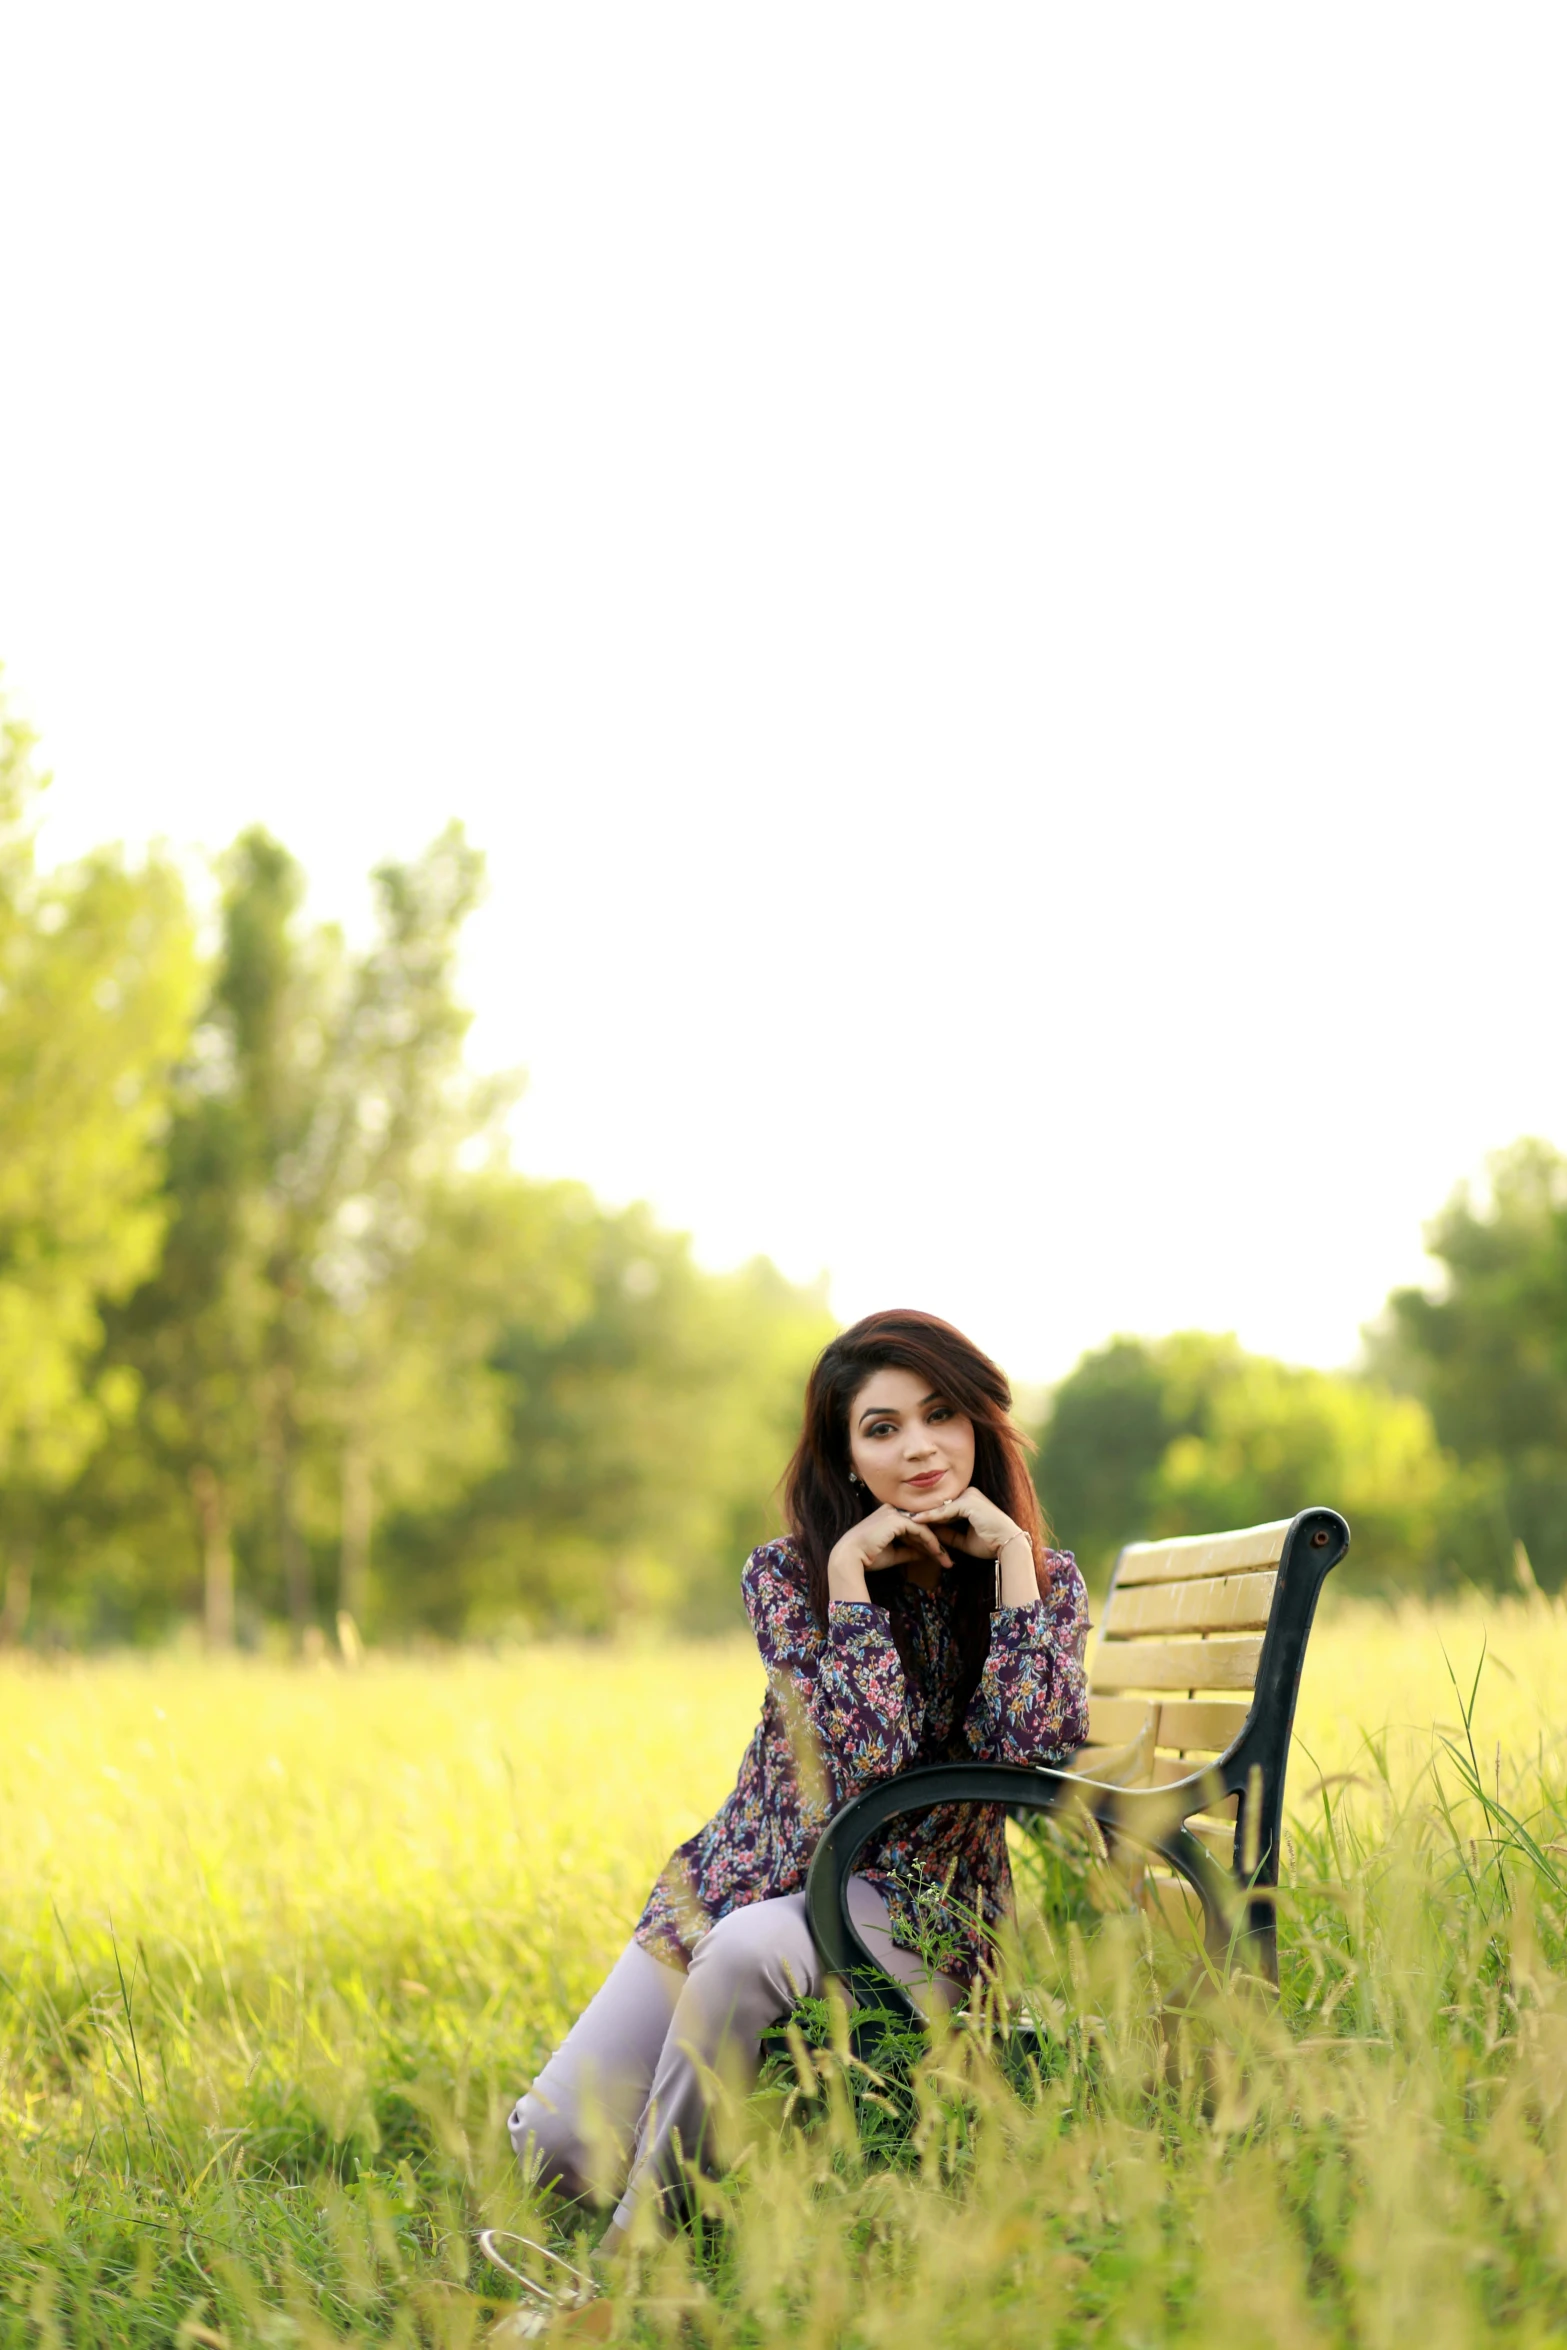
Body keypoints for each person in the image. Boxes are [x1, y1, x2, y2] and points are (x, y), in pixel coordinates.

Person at [506, 1307, 1089, 2263]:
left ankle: (629, 2270)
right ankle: (738, 2186)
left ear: (979, 1423)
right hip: (740, 1880)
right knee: (554, 2148)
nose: (919, 1448)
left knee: (745, 1954)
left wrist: (1014, 1567)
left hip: (921, 1909)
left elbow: (1024, 1745)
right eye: (881, 1428)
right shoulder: (787, 1575)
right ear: (845, 1457)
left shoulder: (1041, 1582)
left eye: (939, 1414)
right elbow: (863, 1749)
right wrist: (851, 1576)